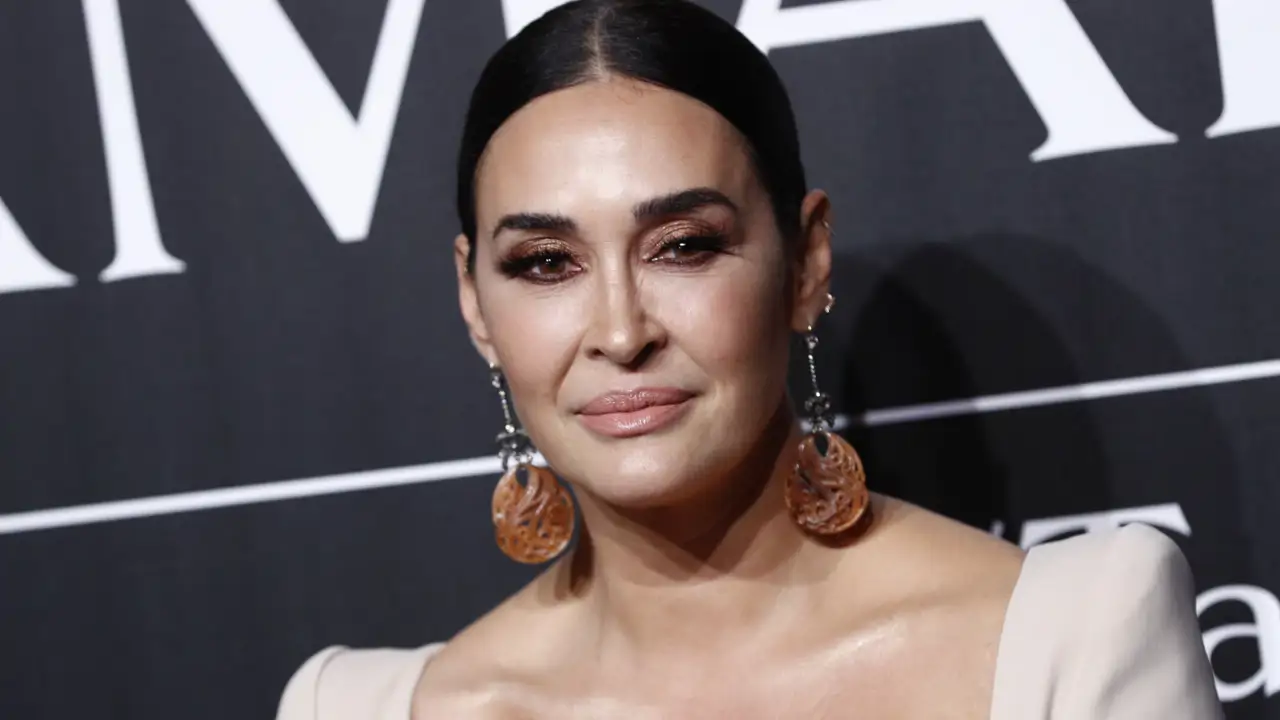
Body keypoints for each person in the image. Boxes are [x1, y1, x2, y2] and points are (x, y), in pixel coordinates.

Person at [276, 1, 1224, 717]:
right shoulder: (356, 709)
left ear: (806, 263)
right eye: (547, 263)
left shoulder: (1074, 634)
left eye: (683, 246)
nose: (621, 332)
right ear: (475, 303)